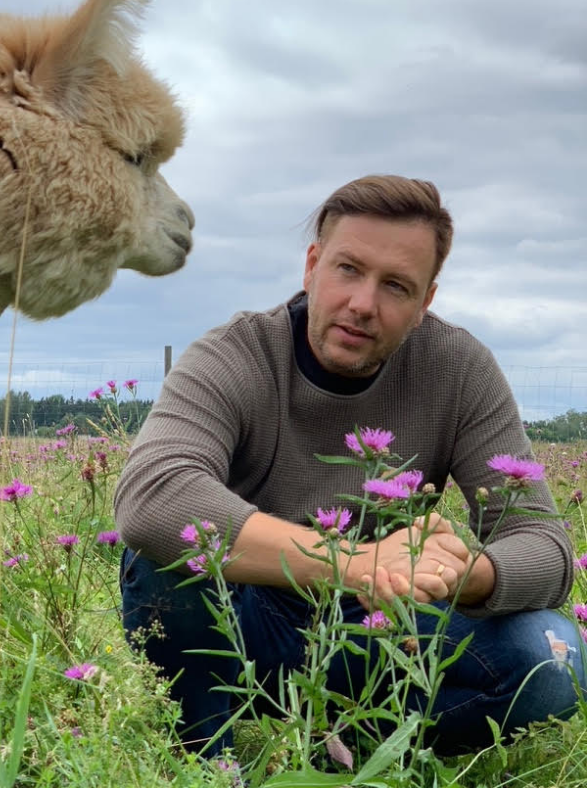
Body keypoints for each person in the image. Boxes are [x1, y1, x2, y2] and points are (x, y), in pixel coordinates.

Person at [114, 174, 582, 757]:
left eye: (395, 286)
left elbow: (543, 545)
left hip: (382, 626)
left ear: (424, 303)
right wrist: (355, 562)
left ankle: (353, 749)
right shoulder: (236, 354)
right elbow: (154, 496)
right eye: (348, 270)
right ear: (311, 266)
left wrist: (464, 576)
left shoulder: (458, 368)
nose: (363, 304)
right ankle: (206, 759)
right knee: (174, 557)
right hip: (245, 614)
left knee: (552, 657)